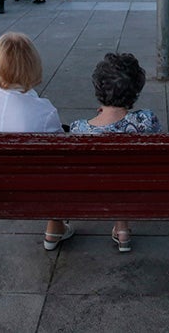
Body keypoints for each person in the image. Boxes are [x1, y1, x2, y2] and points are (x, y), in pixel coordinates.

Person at [0, 32, 70, 250]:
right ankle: (55, 225)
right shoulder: (43, 110)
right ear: (33, 65)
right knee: (61, 162)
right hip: (32, 191)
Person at [70, 53, 162, 253]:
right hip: (138, 188)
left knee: (113, 177)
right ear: (136, 89)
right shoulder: (147, 120)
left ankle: (121, 228)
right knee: (124, 175)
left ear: (98, 89)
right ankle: (122, 229)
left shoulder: (79, 129)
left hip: (92, 193)